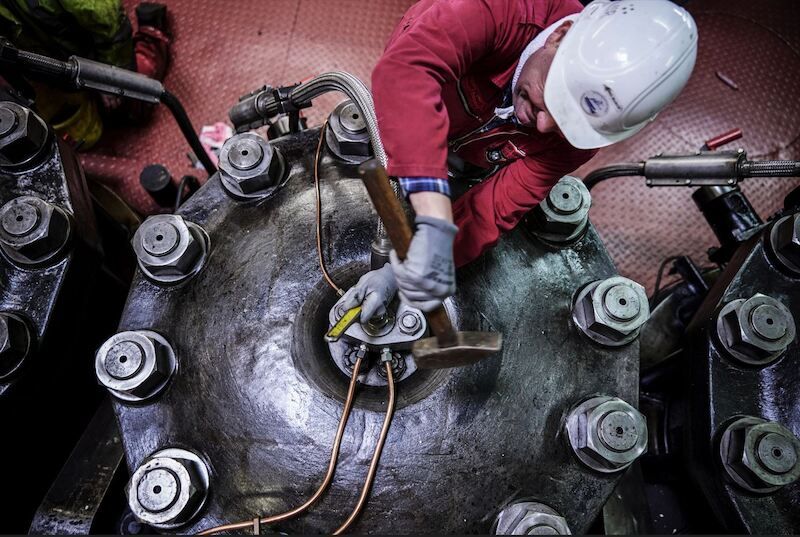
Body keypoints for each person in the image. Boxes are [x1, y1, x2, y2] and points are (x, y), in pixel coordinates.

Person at [336, 0, 698, 321]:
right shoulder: (498, 10)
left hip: (476, 145)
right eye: (554, 99)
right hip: (420, 98)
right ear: (560, 37)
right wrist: (431, 208)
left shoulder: (577, 137)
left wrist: (403, 269)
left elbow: (492, 208)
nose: (542, 124)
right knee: (403, 130)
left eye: (566, 123)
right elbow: (408, 72)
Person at [0, 0, 170, 148]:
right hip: (47, 62)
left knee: (136, 98)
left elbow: (111, 26)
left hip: (97, 51)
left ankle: (151, 34)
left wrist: (111, 79)